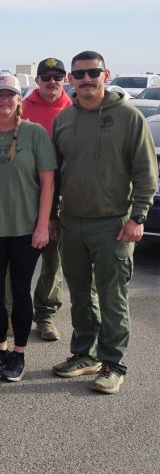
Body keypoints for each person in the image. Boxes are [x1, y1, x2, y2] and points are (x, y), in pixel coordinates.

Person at [50, 51, 157, 394]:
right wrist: (53, 217)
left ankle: (114, 364)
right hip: (73, 222)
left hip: (113, 223)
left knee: (112, 297)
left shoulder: (128, 116)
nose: (85, 79)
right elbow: (55, 175)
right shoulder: (64, 119)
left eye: (92, 72)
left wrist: (138, 217)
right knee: (81, 295)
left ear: (105, 74)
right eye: (78, 74)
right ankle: (84, 355)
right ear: (71, 79)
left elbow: (145, 171)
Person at [0, 74, 56, 382]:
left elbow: (47, 182)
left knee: (19, 292)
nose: (3, 100)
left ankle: (18, 354)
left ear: (19, 100)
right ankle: (0, 349)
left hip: (25, 230)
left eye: (10, 95)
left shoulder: (34, 134)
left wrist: (42, 226)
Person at [0, 58, 72, 342]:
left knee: (52, 260)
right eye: (46, 76)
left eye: (58, 76)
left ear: (65, 79)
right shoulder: (22, 106)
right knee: (11, 265)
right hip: (25, 198)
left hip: (63, 195)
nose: (52, 81)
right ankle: (6, 316)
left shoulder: (73, 110)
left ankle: (45, 316)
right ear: (37, 79)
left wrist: (53, 215)